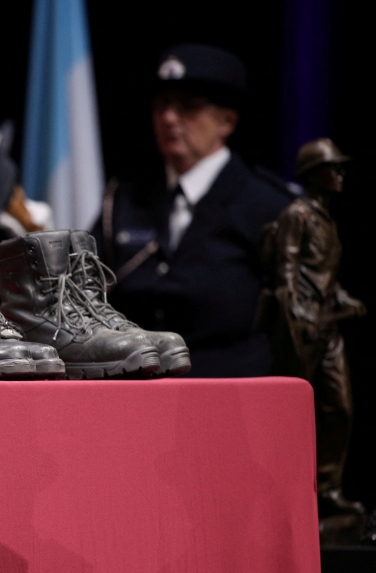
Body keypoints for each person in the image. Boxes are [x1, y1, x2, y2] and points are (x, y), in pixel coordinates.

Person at [93, 44, 293, 377]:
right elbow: (89, 285)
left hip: (232, 393)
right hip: (136, 392)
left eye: (188, 107)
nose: (169, 118)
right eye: (161, 105)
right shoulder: (125, 198)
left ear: (226, 120)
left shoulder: (269, 206)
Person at [260, 138, 367, 542]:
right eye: (333, 168)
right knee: (293, 413)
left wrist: (343, 300)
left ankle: (328, 489)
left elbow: (325, 275)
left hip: (328, 327)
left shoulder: (328, 220)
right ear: (313, 175)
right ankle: (289, 492)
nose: (339, 174)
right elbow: (286, 269)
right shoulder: (297, 215)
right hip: (300, 329)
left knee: (339, 405)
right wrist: (296, 311)